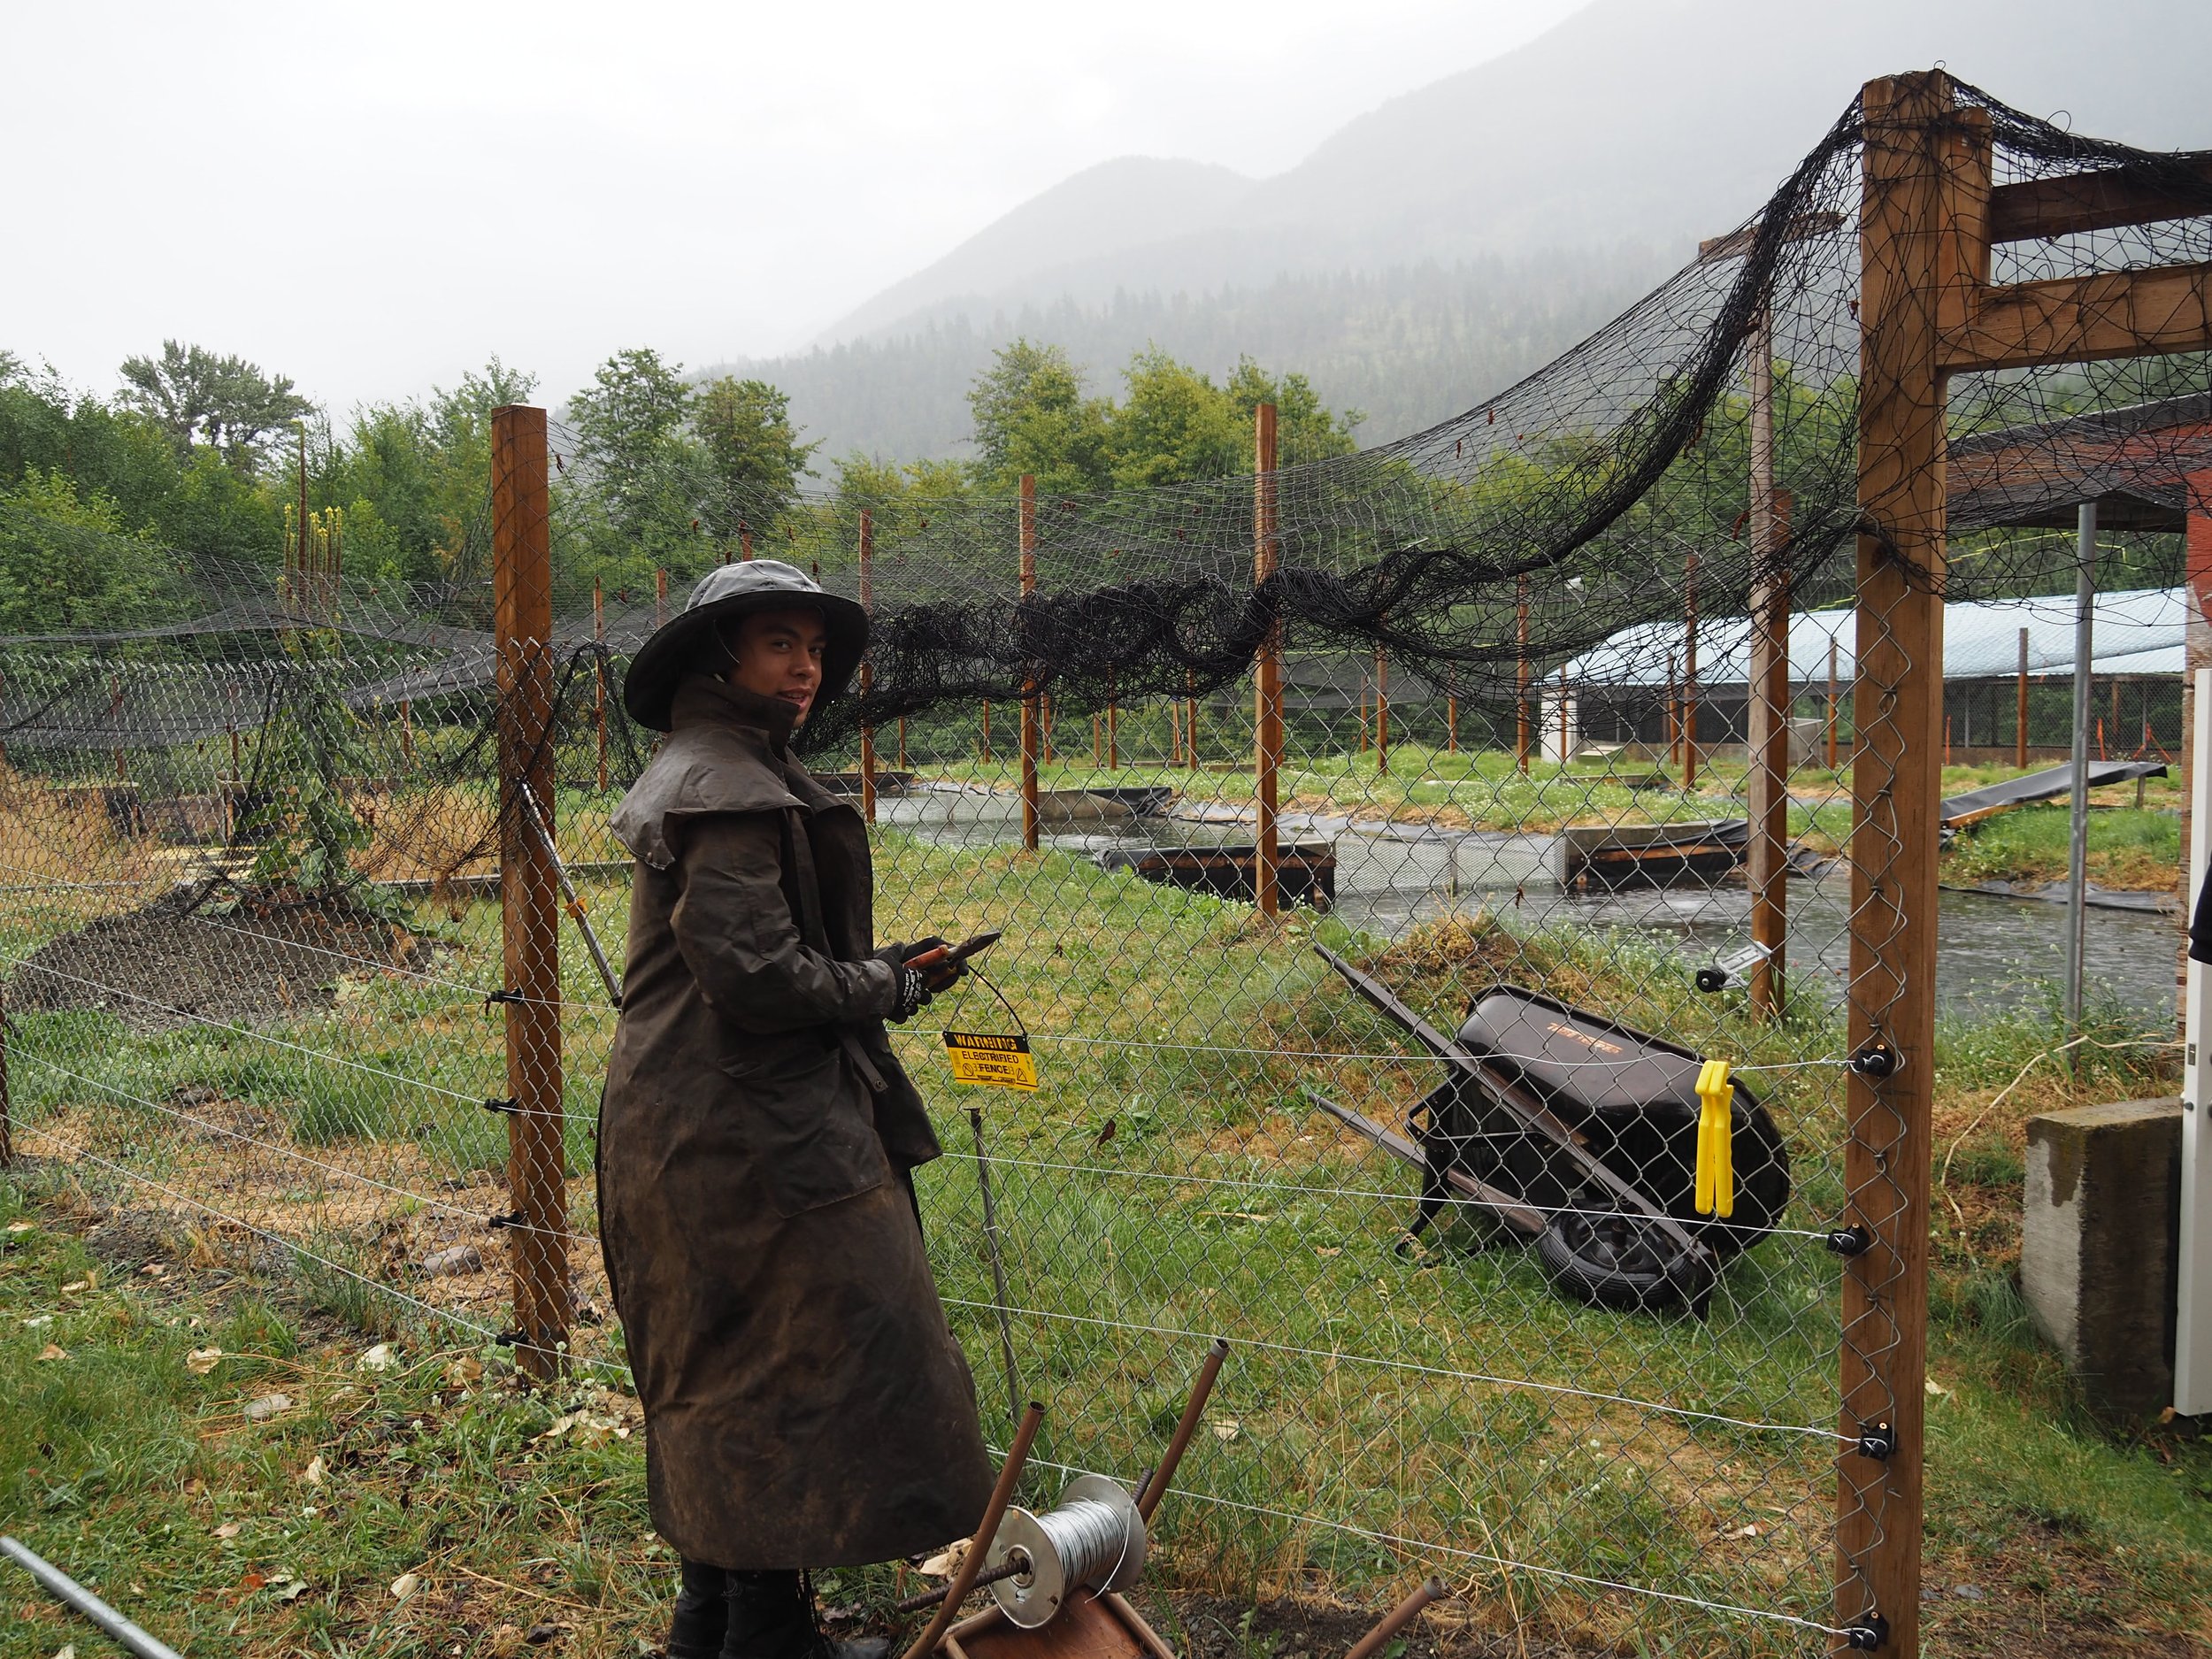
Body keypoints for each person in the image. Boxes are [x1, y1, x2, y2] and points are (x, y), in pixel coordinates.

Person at [600, 559, 995, 1659]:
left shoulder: (724, 766)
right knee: (796, 1362)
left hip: (705, 1123)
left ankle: (728, 1624)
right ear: (721, 658)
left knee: (727, 1371)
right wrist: (892, 986)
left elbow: (757, 957)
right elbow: (759, 979)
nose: (806, 666)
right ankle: (763, 1636)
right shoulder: (724, 784)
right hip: (744, 1139)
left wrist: (873, 968)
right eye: (780, 643)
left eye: (814, 648)